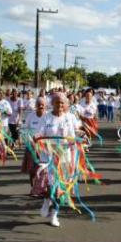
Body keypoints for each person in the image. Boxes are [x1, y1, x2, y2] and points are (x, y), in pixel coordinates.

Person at [33, 93, 78, 227]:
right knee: (49, 185)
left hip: (64, 158)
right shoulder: (46, 118)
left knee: (59, 188)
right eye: (57, 102)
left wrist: (71, 143)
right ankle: (47, 201)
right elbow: (39, 133)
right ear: (52, 103)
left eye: (62, 103)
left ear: (65, 105)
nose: (59, 105)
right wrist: (37, 137)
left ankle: (54, 215)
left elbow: (72, 138)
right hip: (47, 156)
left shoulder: (69, 118)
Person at [22, 97, 47, 199]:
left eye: (42, 105)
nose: (40, 106)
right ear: (36, 106)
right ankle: (33, 188)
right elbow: (25, 128)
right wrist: (30, 140)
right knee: (32, 169)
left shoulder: (47, 116)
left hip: (44, 146)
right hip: (31, 145)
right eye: (39, 104)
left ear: (45, 106)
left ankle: (41, 189)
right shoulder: (30, 116)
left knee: (42, 168)